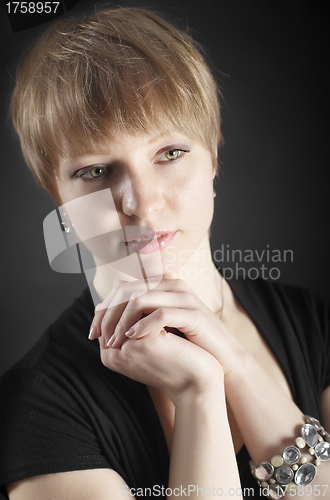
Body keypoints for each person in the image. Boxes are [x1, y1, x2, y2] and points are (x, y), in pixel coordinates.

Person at [0, 6, 329, 500]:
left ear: (213, 155)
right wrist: (199, 393)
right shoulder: (35, 407)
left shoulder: (314, 323)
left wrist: (233, 364)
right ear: (59, 201)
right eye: (95, 171)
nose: (142, 204)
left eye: (169, 153)